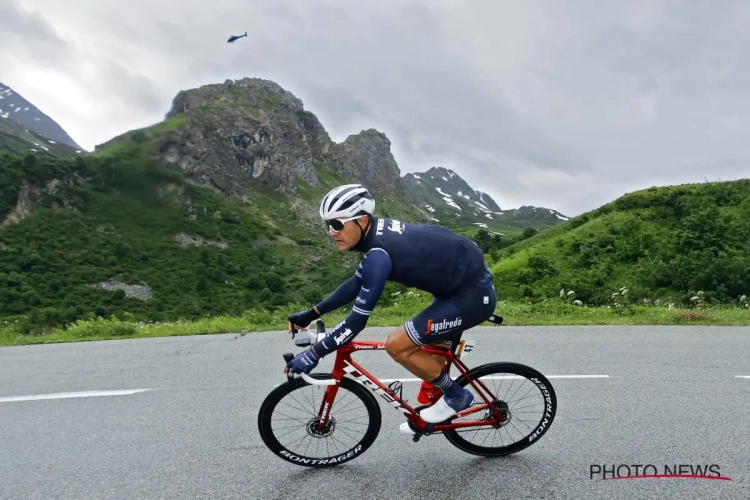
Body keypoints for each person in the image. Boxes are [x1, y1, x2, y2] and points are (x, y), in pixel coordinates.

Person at [284, 184, 497, 433]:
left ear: (362, 220)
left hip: (471, 297)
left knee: (397, 344)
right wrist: (311, 314)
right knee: (428, 373)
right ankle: (431, 414)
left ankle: (457, 396)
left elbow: (356, 321)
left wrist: (315, 353)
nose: (331, 232)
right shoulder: (375, 237)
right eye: (327, 225)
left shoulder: (378, 254)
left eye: (337, 224)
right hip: (455, 290)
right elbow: (355, 283)